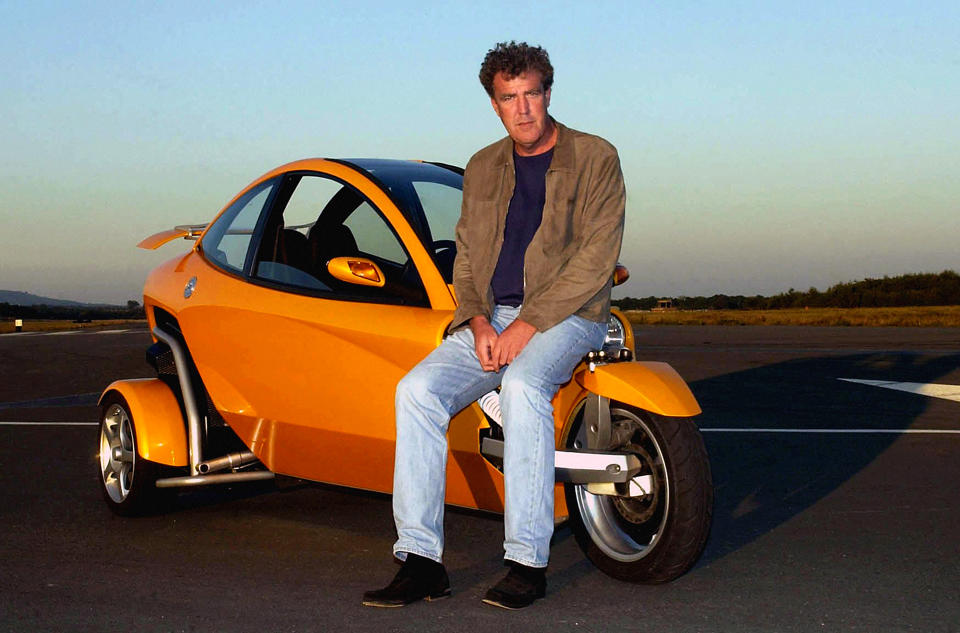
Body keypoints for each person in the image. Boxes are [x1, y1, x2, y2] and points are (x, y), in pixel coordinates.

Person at [363, 41, 625, 610]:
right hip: (493, 317)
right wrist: (478, 320)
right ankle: (420, 560)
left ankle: (526, 562)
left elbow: (595, 260)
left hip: (569, 316)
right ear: (495, 104)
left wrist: (525, 327)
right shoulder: (482, 167)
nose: (523, 109)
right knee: (416, 392)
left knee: (525, 386)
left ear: (548, 94)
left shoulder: (597, 157)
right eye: (510, 98)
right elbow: (468, 257)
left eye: (532, 94)